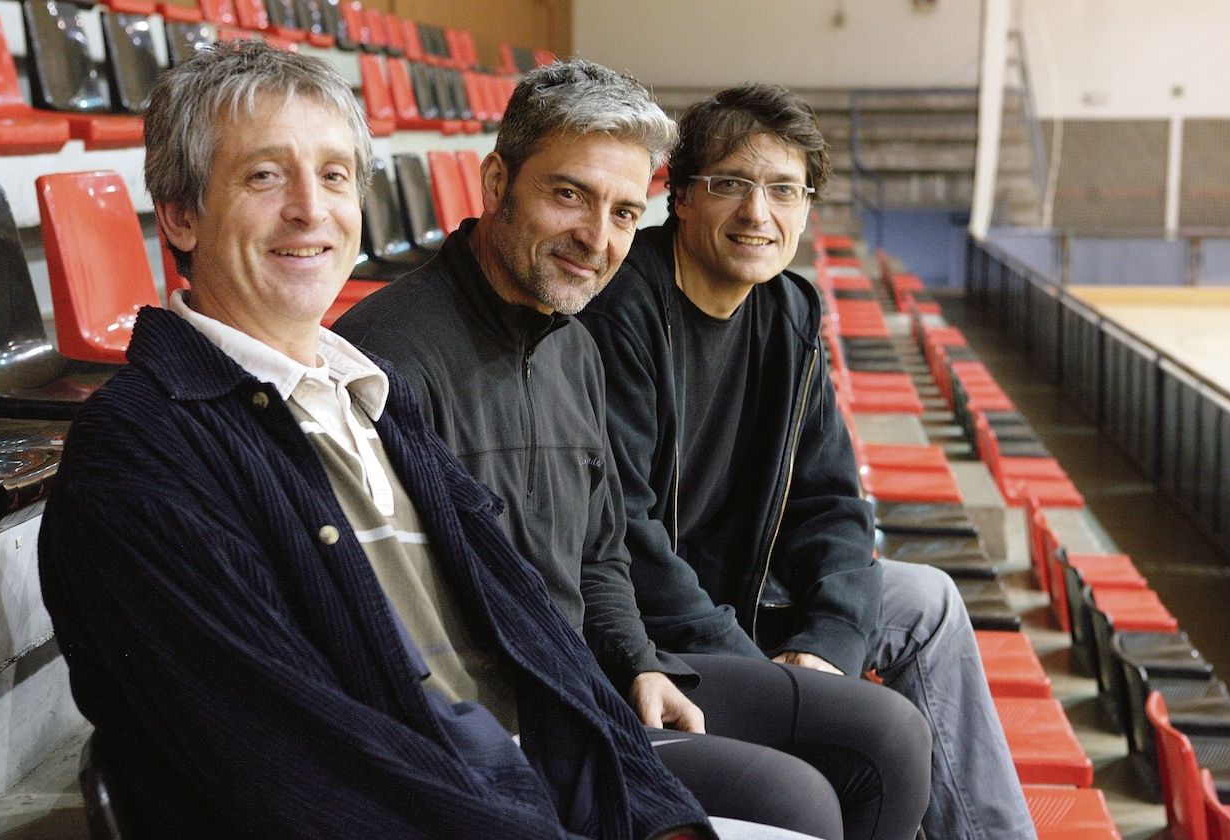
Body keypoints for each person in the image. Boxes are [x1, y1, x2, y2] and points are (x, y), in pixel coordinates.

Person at [36, 41, 804, 840]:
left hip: (533, 781)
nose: (311, 208)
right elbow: (299, 764)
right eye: (265, 176)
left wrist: (659, 815)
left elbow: (537, 638)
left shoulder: (365, 392)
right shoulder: (139, 449)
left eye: (335, 176)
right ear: (181, 214)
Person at [334, 58, 931, 840]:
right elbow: (406, 618)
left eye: (621, 211)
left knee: (887, 735)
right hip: (515, 718)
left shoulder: (569, 343)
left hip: (599, 673)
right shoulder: (387, 358)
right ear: (494, 183)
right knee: (800, 799)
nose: (596, 237)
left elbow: (600, 554)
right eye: (567, 195)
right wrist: (594, 697)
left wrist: (639, 662)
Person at [575, 83, 1038, 840]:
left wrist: (827, 644)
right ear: (680, 197)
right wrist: (775, 680)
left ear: (805, 206)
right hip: (659, 629)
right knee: (863, 726)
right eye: (730, 185)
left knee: (926, 601)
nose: (757, 214)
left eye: (784, 190)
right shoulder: (621, 315)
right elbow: (622, 537)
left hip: (756, 595)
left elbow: (830, 500)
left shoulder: (787, 310)